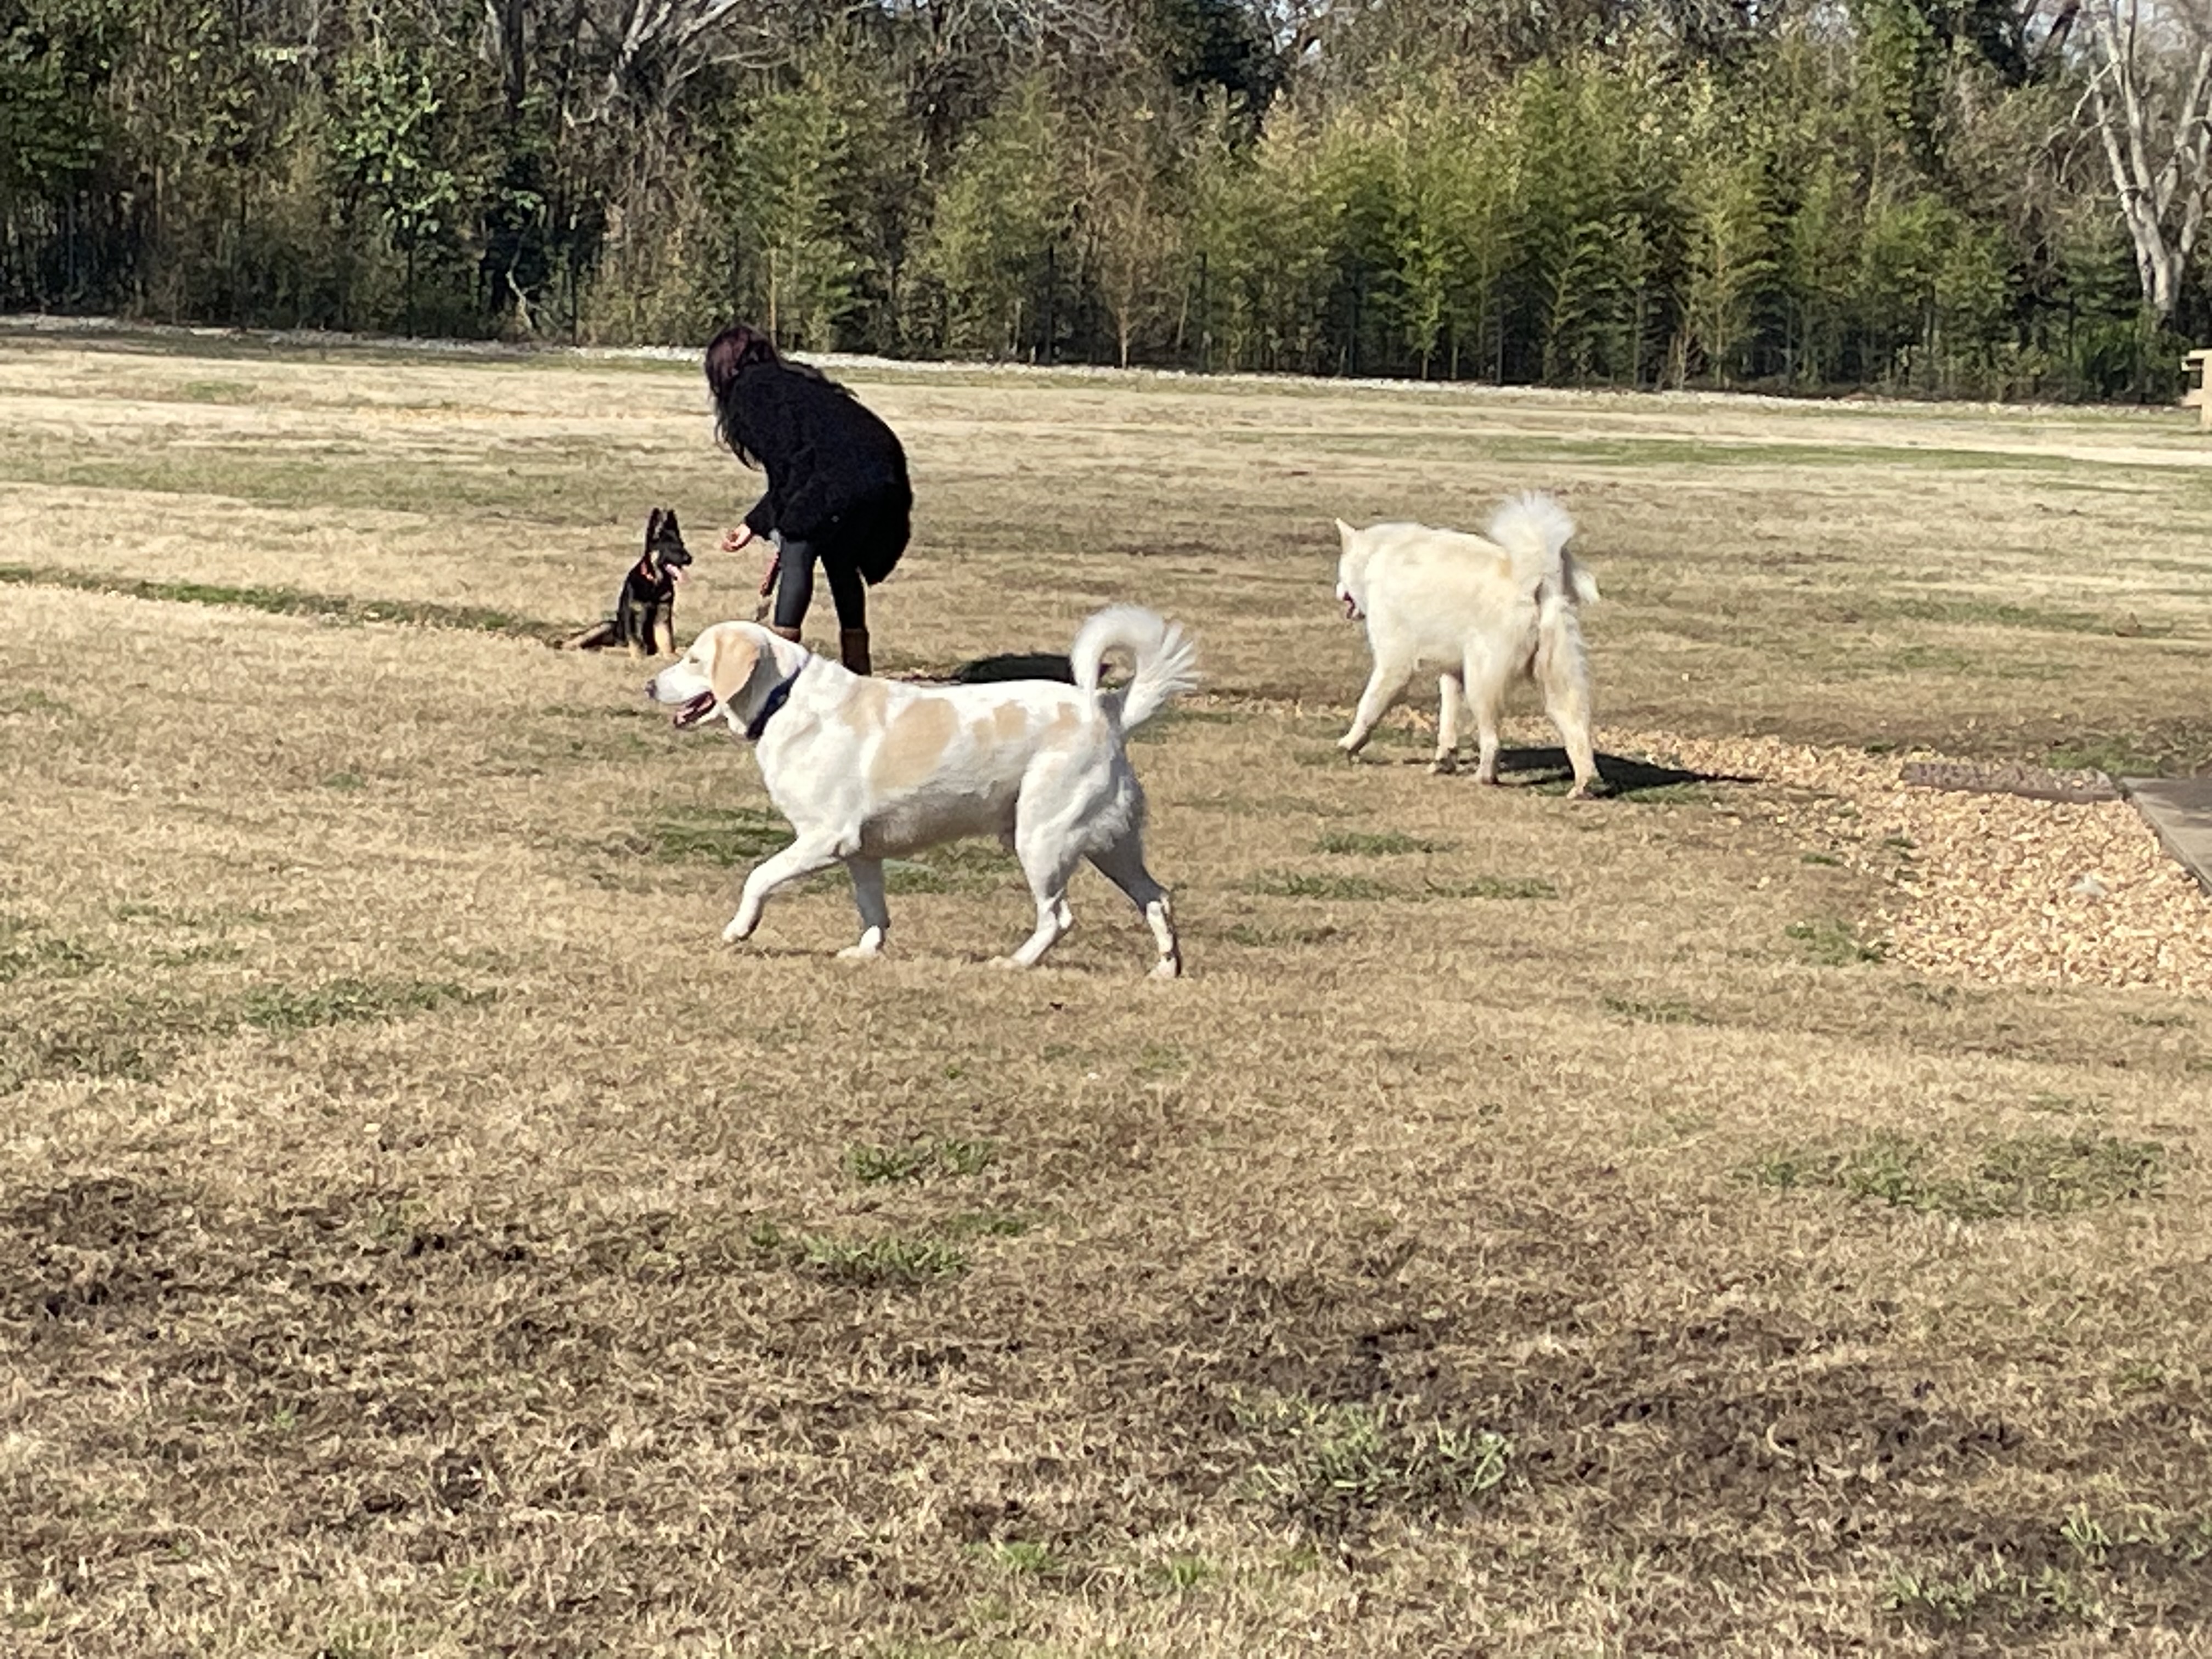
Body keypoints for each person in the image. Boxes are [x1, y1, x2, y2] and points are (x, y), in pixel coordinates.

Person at [705, 323, 912, 676]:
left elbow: (790, 468)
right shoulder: (794, 380)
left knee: (797, 543)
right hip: (882, 467)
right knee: (840, 556)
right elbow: (801, 464)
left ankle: (778, 668)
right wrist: (755, 523)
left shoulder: (751, 393)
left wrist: (773, 522)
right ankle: (858, 670)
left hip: (843, 472)